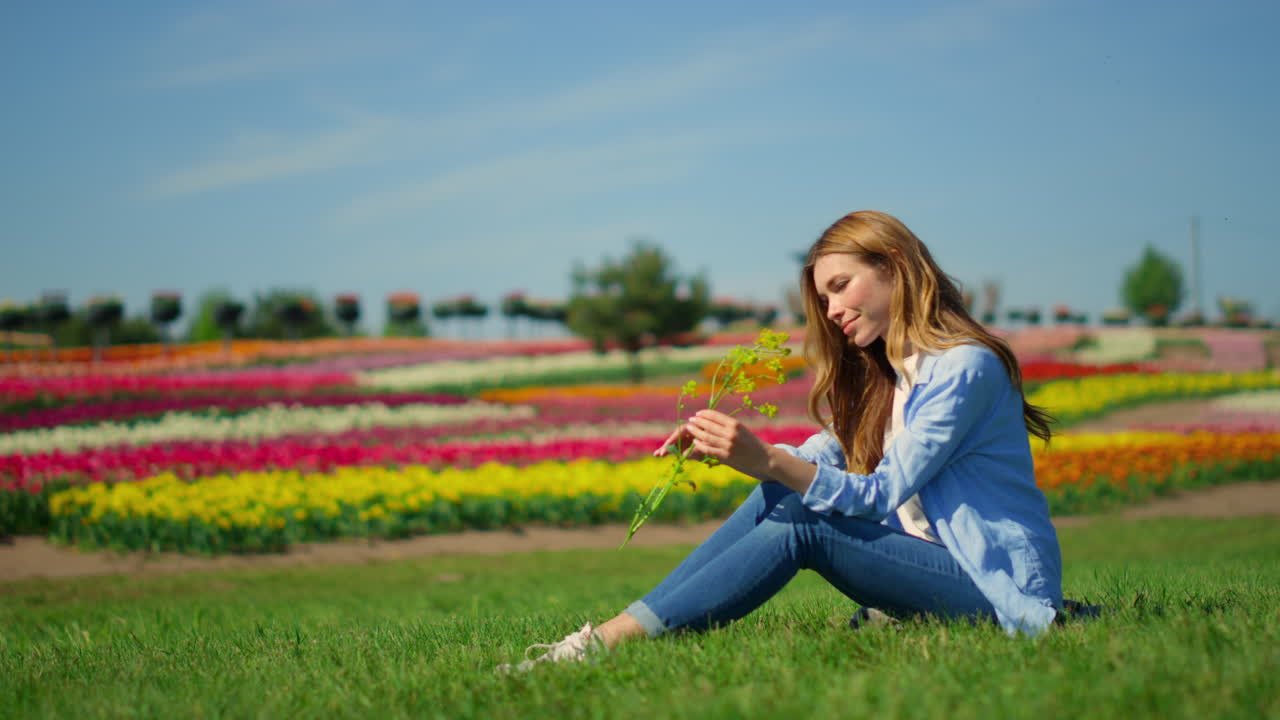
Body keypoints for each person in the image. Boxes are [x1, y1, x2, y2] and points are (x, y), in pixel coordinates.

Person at [498, 209, 1066, 674]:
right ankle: (616, 631)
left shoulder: (965, 368)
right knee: (779, 494)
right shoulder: (893, 372)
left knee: (805, 520)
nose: (833, 310)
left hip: (995, 590)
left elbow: (880, 492)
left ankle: (608, 643)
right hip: (934, 569)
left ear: (895, 264)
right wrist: (737, 449)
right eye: (823, 299)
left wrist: (767, 459)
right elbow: (820, 455)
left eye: (841, 287)